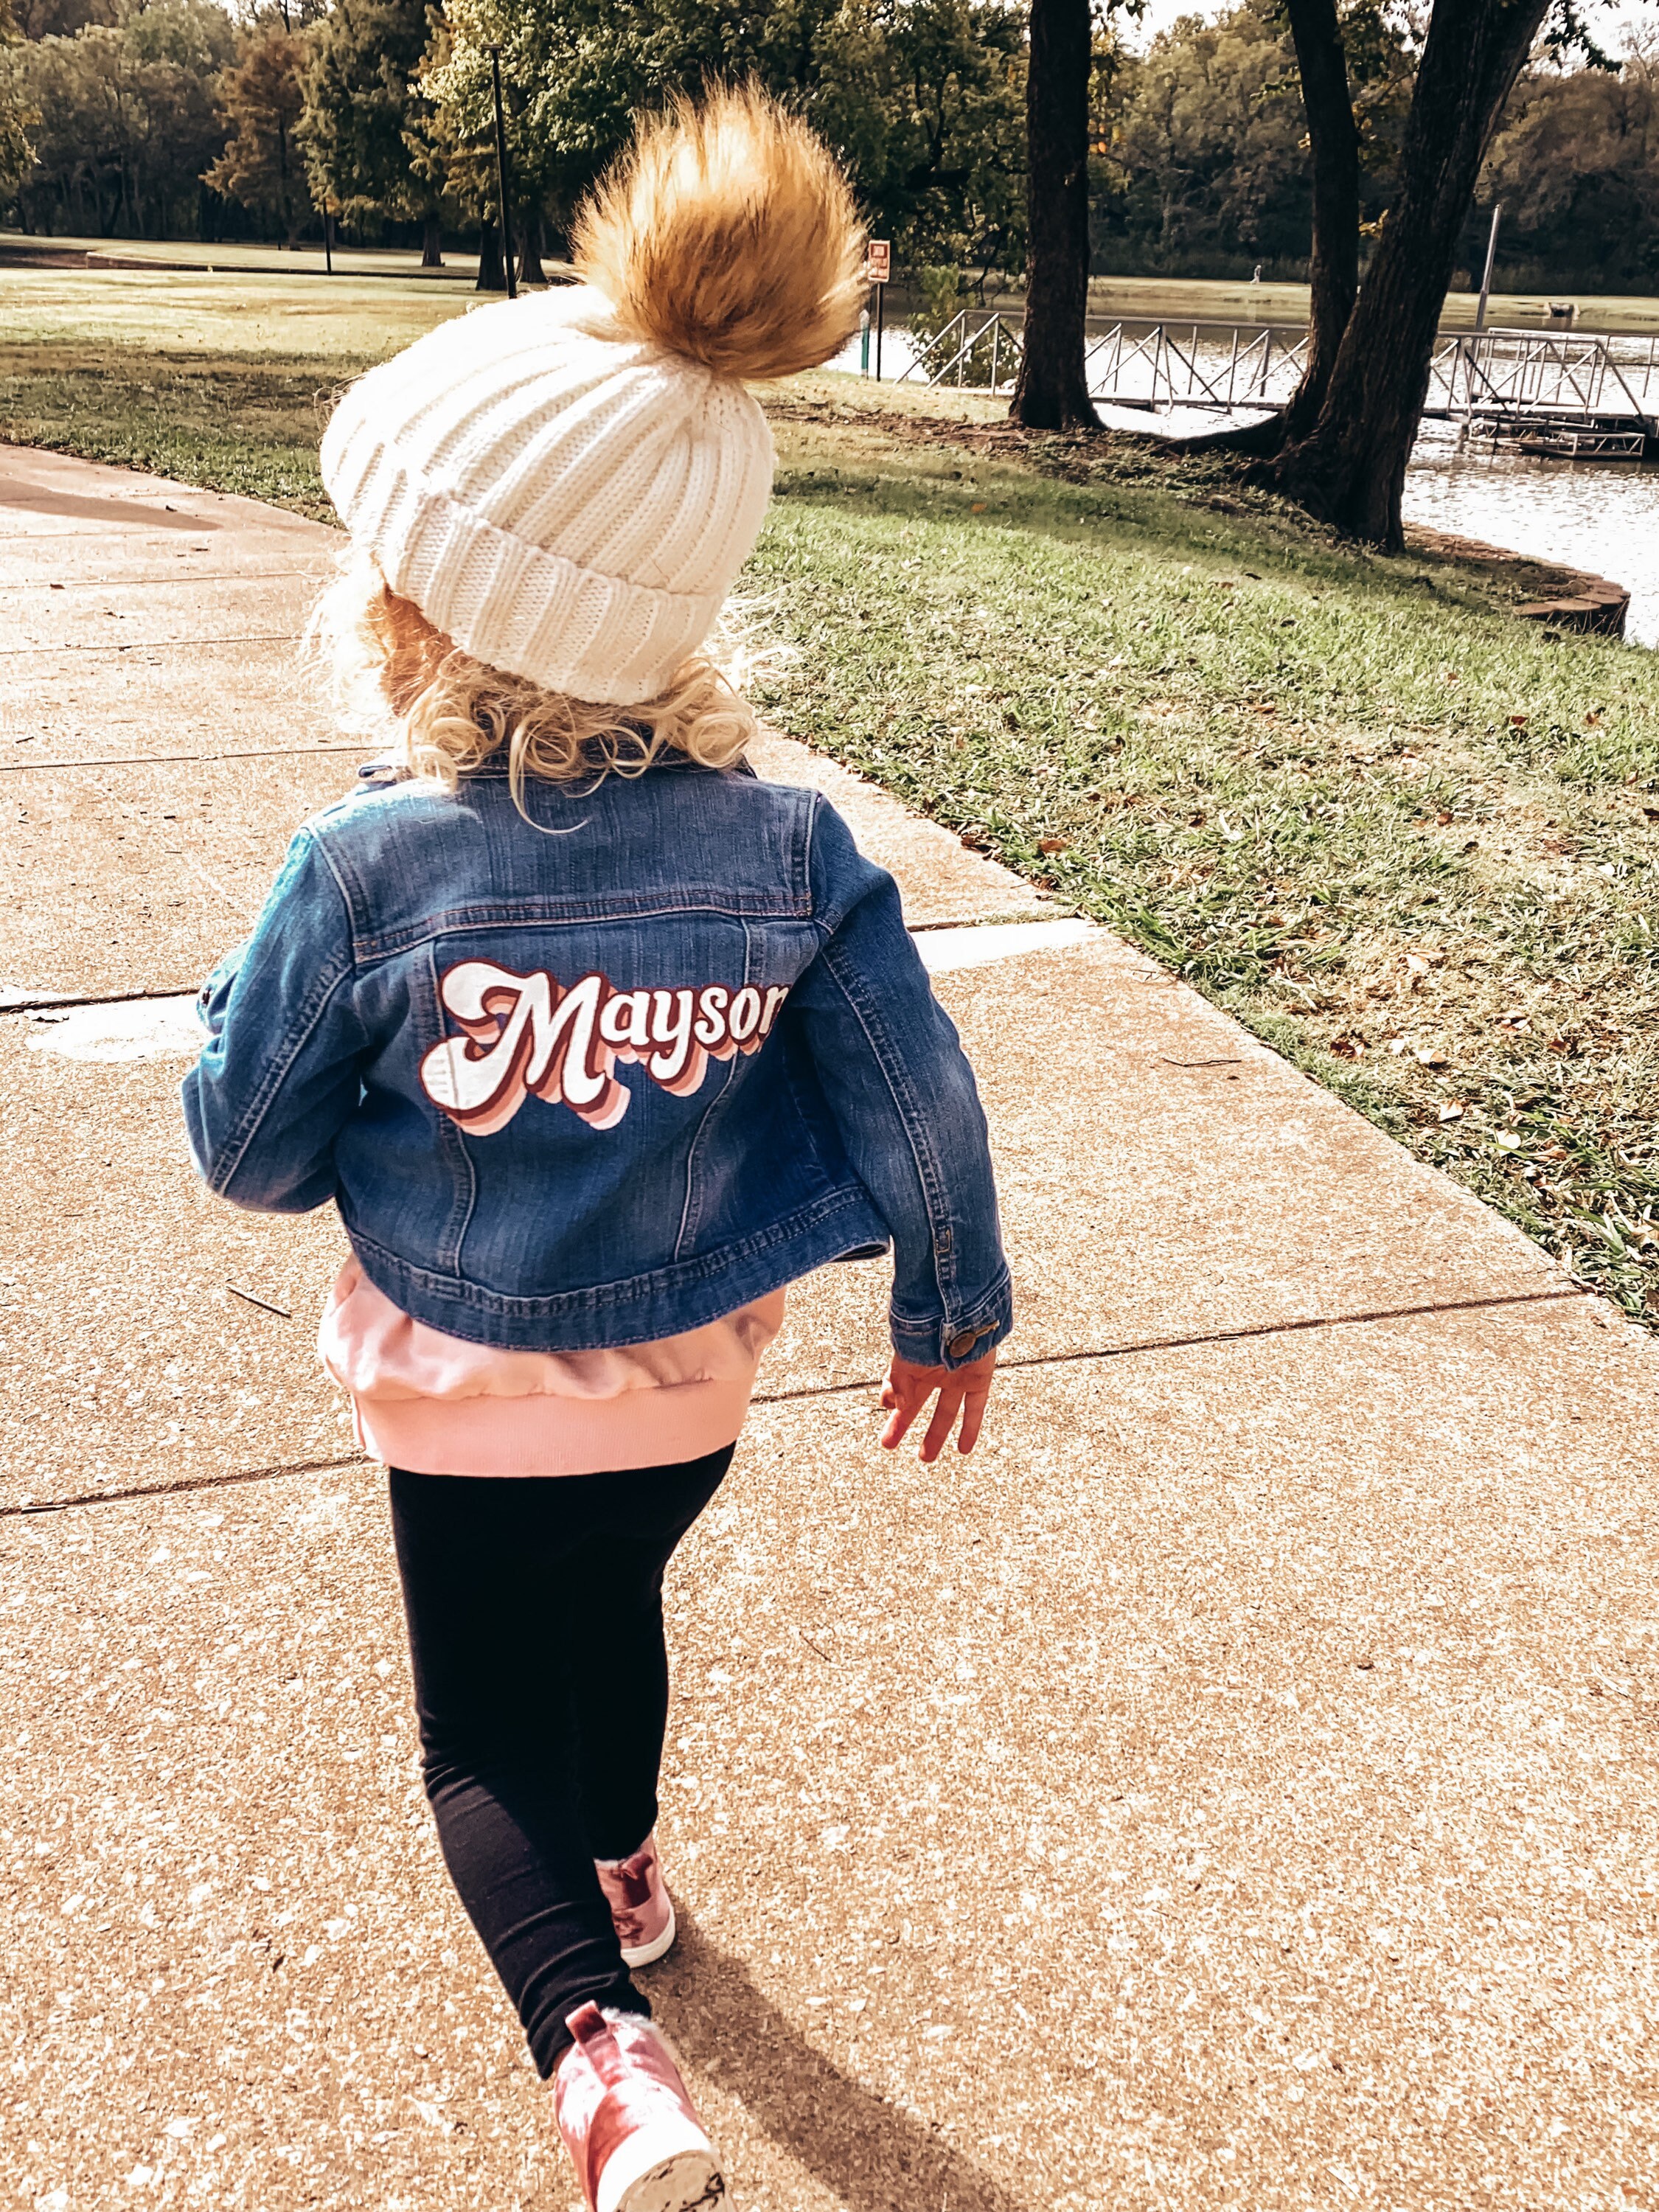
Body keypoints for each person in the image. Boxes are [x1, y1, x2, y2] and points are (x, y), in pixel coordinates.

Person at [181, 87, 1009, 2212]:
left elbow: (254, 1155)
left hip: (463, 1393)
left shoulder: (369, 869)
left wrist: (244, 1042)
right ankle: (627, 1869)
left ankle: (598, 2051)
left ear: (422, 612)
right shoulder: (789, 846)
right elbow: (910, 1080)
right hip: (685, 1394)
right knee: (613, 1604)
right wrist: (948, 1298)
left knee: (475, 1744)